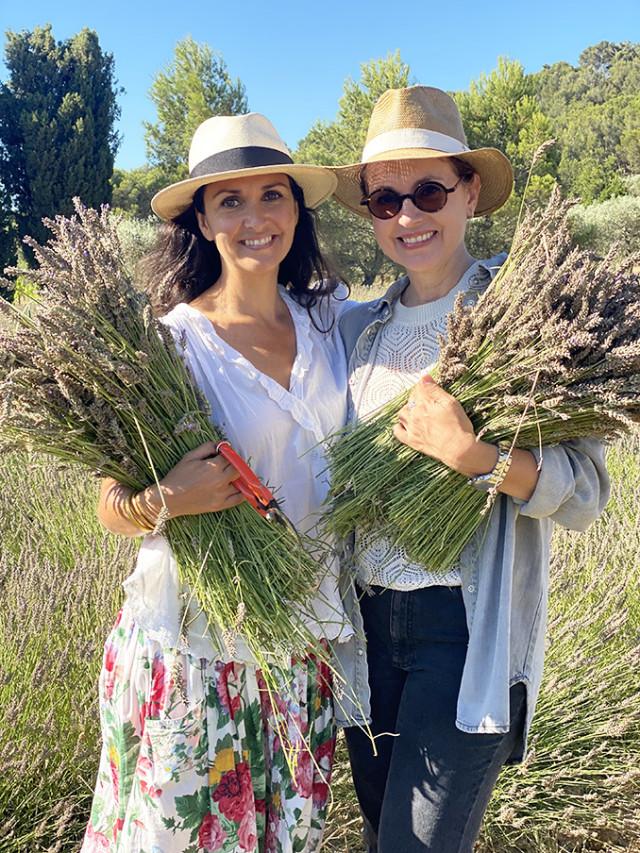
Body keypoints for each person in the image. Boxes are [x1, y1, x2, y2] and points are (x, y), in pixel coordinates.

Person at [330, 86, 610, 853]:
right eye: (386, 200)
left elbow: (587, 495)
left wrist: (476, 458)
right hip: (363, 628)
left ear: (470, 190)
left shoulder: (529, 318)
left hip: (460, 632)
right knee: (380, 832)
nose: (409, 216)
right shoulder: (358, 329)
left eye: (428, 191)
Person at [81, 112, 355, 853]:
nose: (256, 217)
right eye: (229, 201)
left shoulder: (333, 321)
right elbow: (110, 504)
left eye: (274, 195)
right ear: (200, 220)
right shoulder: (170, 343)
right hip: (196, 653)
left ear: (298, 210)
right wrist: (166, 500)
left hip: (301, 652)